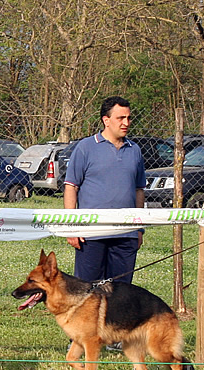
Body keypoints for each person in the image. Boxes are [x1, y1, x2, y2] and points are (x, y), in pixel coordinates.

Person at [63, 96, 146, 351]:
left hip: (125, 234)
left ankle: (112, 337)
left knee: (120, 290)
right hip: (92, 233)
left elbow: (139, 189)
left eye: (129, 117)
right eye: (121, 118)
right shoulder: (86, 148)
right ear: (105, 120)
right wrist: (72, 226)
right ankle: (79, 340)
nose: (126, 122)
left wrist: (139, 226)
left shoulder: (135, 150)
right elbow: (71, 187)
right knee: (87, 288)